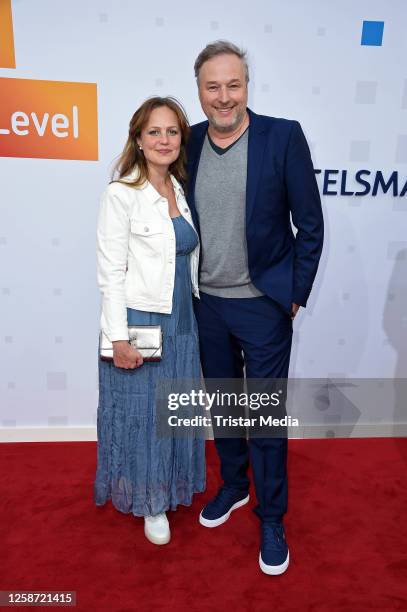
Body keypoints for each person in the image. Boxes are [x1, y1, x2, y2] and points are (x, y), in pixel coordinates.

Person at [187, 41, 324, 574]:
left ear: (248, 85)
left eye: (233, 84)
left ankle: (271, 516)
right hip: (207, 307)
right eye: (212, 86)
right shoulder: (189, 143)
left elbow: (309, 225)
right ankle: (235, 486)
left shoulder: (283, 136)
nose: (224, 97)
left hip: (263, 306)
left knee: (264, 417)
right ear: (199, 92)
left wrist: (293, 293)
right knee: (223, 408)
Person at [94, 96, 205, 545]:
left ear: (182, 139)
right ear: (138, 139)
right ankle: (151, 503)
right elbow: (109, 273)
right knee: (144, 414)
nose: (164, 140)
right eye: (154, 131)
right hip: (143, 319)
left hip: (183, 321)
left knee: (173, 412)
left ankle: (170, 486)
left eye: (172, 131)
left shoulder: (179, 191)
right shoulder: (121, 194)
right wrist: (118, 338)